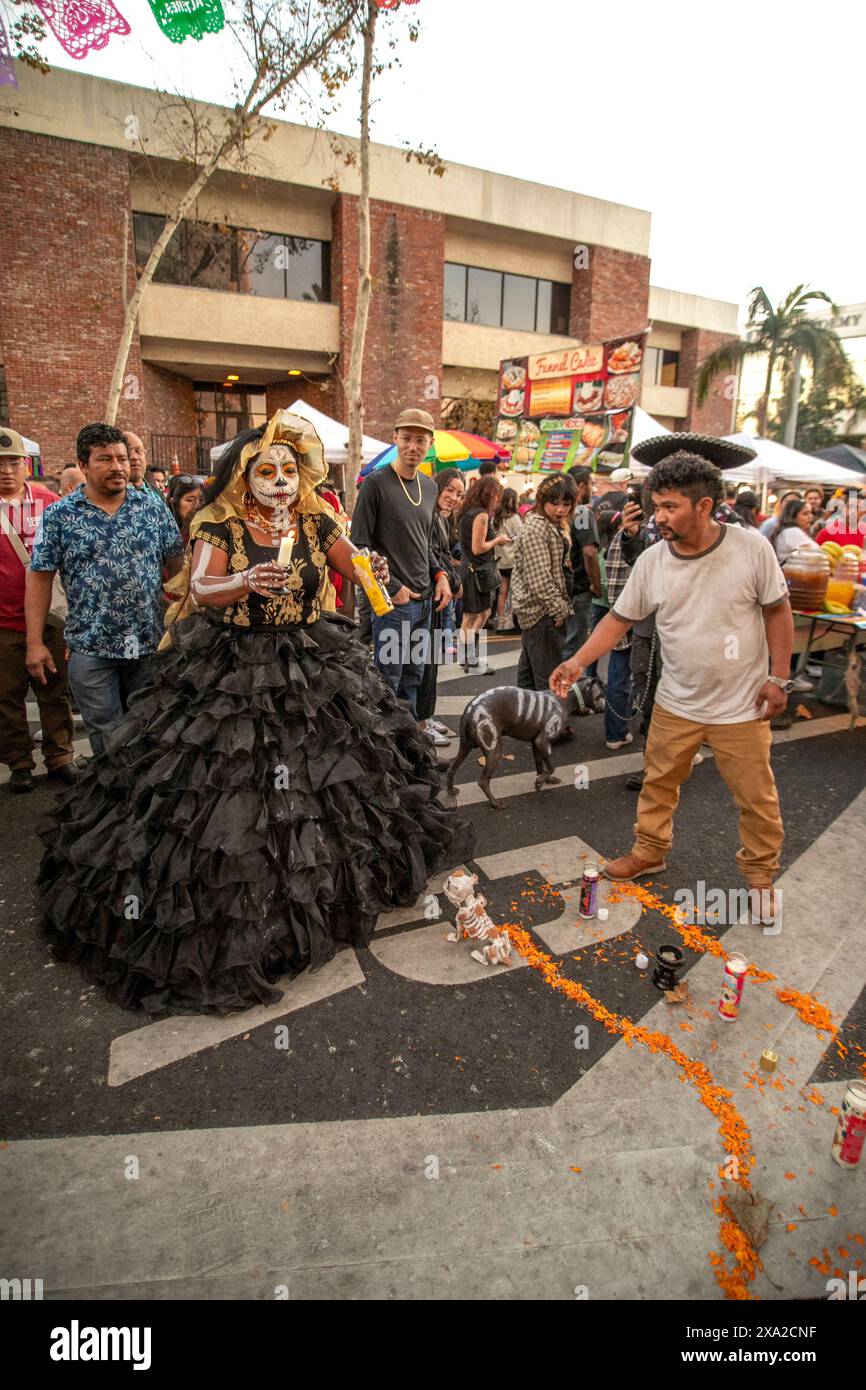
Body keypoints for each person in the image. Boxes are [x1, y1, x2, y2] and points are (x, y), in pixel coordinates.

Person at [36, 410, 474, 1015]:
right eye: (267, 469)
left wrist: (378, 579)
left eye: (288, 469)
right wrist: (243, 580)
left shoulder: (318, 517)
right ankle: (251, 911)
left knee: (334, 776)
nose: (279, 479)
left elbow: (354, 565)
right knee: (227, 789)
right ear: (244, 477)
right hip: (232, 664)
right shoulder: (219, 523)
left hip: (309, 657)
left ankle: (318, 896)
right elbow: (200, 590)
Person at [550, 435, 792, 911]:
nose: (658, 516)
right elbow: (618, 619)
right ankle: (650, 851)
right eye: (655, 506)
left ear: (705, 506)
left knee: (757, 800)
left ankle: (761, 878)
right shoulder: (654, 559)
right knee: (658, 786)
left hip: (741, 706)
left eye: (669, 507)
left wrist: (779, 677)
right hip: (676, 701)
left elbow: (778, 611)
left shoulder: (750, 549)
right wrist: (578, 662)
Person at [26, 424, 185, 757]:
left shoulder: (151, 507)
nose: (118, 467)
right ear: (83, 465)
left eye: (122, 459)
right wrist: (35, 643)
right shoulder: (60, 515)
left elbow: (176, 564)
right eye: (105, 459)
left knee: (151, 727)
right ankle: (113, 800)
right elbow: (40, 578)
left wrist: (182, 615)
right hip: (90, 646)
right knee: (106, 734)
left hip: (148, 642)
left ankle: (145, 800)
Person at [350, 408, 451, 716]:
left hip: (424, 602)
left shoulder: (430, 487)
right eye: (406, 438)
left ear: (430, 444)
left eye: (420, 440)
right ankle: (383, 750)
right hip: (394, 604)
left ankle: (408, 748)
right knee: (387, 681)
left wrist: (441, 575)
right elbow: (358, 547)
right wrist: (393, 587)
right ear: (395, 438)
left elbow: (426, 544)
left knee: (413, 678)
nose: (413, 447)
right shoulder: (375, 484)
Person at [0, 427, 75, 792]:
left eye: (13, 462)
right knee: (7, 696)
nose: (6, 470)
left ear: (26, 465)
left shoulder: (50, 502)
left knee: (55, 688)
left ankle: (60, 756)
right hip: (4, 621)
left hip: (52, 616)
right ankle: (19, 762)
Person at [510, 472, 577, 699]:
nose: (560, 509)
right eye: (554, 503)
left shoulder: (547, 523)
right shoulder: (538, 527)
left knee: (530, 672)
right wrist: (559, 609)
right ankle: (548, 727)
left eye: (566, 504)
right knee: (547, 677)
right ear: (542, 499)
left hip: (537, 610)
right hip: (541, 611)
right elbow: (540, 579)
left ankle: (527, 721)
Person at [417, 468, 465, 746]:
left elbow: (444, 554)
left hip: (441, 596)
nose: (454, 497)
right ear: (438, 487)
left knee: (432, 663)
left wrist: (454, 580)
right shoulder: (427, 516)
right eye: (449, 490)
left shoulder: (443, 520)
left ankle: (427, 715)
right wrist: (451, 578)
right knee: (422, 665)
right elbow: (432, 555)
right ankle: (420, 723)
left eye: (459, 493)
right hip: (427, 594)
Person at [457, 473, 506, 672]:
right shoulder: (481, 515)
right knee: (480, 614)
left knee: (469, 616)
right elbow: (478, 547)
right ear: (488, 494)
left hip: (468, 568)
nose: (497, 499)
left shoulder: (466, 512)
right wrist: (498, 540)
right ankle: (471, 658)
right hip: (477, 571)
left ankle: (465, 656)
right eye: (496, 494)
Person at [560, 466, 601, 660]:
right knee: (574, 645)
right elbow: (589, 552)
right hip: (578, 587)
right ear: (582, 486)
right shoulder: (582, 512)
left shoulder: (560, 511)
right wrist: (596, 584)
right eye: (592, 484)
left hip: (562, 587)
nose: (594, 489)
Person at [492, 487, 522, 631]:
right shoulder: (515, 518)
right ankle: (510, 621)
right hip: (513, 560)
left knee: (502, 591)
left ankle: (500, 620)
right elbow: (521, 536)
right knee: (514, 591)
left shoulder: (495, 518)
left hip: (499, 560)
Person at [767, 497, 819, 567]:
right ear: (793, 516)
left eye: (811, 513)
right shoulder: (792, 532)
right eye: (805, 514)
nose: (811, 517)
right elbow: (812, 556)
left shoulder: (788, 531)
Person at [166, 477, 203, 546]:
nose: (197, 505)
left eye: (201, 500)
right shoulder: (168, 536)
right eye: (190, 500)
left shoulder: (207, 536)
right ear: (174, 504)